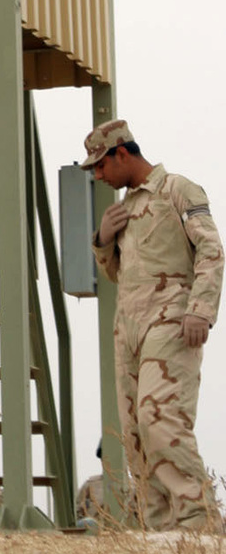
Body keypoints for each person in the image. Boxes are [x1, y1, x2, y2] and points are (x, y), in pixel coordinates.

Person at [82, 119, 224, 531]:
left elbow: (212, 250)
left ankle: (199, 522)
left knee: (158, 415)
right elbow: (117, 274)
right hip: (129, 328)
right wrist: (102, 241)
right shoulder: (123, 208)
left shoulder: (177, 190)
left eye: (101, 165)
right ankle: (161, 529)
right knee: (135, 433)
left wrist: (201, 309)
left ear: (122, 153)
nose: (98, 175)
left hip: (172, 322)